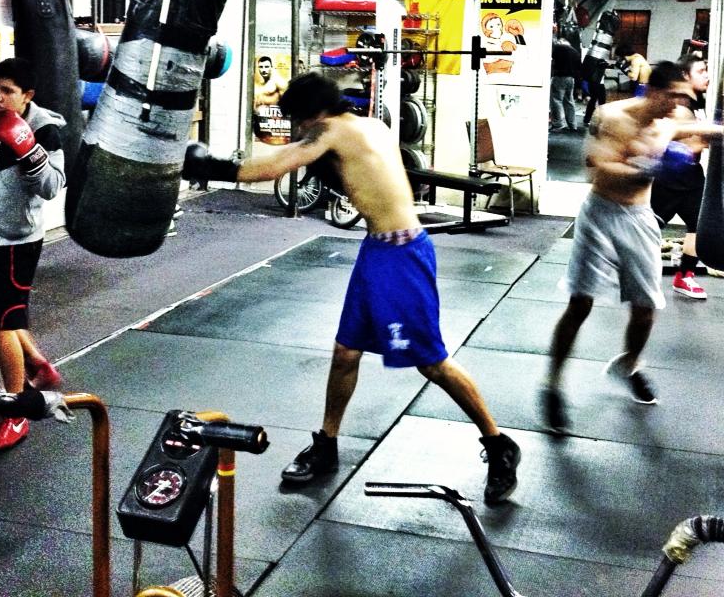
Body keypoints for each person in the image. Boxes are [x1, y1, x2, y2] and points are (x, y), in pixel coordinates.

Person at [183, 72, 521, 504]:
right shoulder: (367, 124)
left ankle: (498, 445)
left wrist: (208, 166)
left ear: (310, 114)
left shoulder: (330, 130)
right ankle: (326, 443)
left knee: (432, 364)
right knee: (346, 354)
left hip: (401, 259)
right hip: (379, 251)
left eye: (298, 121)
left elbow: (266, 168)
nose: (299, 130)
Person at [540, 61, 722, 433]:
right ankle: (552, 387)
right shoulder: (611, 116)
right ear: (654, 91)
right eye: (673, 97)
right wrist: (651, 168)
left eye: (683, 99)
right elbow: (598, 169)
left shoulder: (667, 123)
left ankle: (628, 364)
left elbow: (709, 130)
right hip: (600, 214)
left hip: (639, 217)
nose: (677, 107)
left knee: (645, 309)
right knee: (580, 303)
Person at [0, 58, 67, 451]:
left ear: (27, 95)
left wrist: (28, 150)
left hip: (16, 242)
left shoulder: (44, 129)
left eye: (6, 91)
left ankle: (16, 413)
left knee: (1, 325)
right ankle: (37, 365)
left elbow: (53, 186)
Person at [650, 54, 712, 300]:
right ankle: (615, 264)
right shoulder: (677, 109)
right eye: (701, 71)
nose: (706, 75)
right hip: (668, 180)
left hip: (692, 179)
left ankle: (684, 277)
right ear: (685, 76)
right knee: (647, 229)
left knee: (699, 226)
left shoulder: (695, 105)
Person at [549, 25, 580, 133]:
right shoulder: (575, 52)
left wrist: (553, 32)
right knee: (569, 101)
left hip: (560, 78)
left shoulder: (558, 48)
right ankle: (573, 125)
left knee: (556, 101)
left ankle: (558, 124)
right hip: (571, 79)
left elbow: (551, 45)